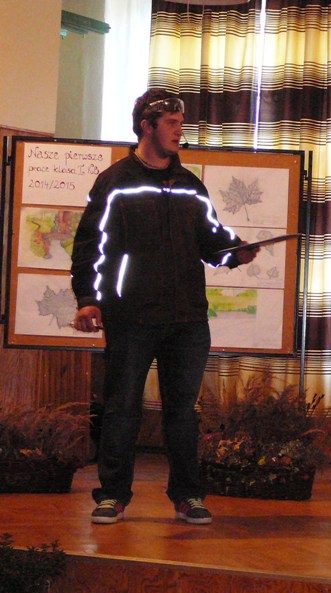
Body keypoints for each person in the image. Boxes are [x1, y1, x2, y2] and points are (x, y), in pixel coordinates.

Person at [71, 89, 258, 525]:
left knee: (183, 414)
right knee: (121, 409)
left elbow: (211, 240)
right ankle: (112, 496)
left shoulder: (190, 185)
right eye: (171, 123)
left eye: (180, 123)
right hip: (131, 316)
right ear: (147, 125)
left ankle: (188, 496)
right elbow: (89, 246)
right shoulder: (115, 182)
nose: (179, 131)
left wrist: (235, 252)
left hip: (188, 319)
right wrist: (88, 299)